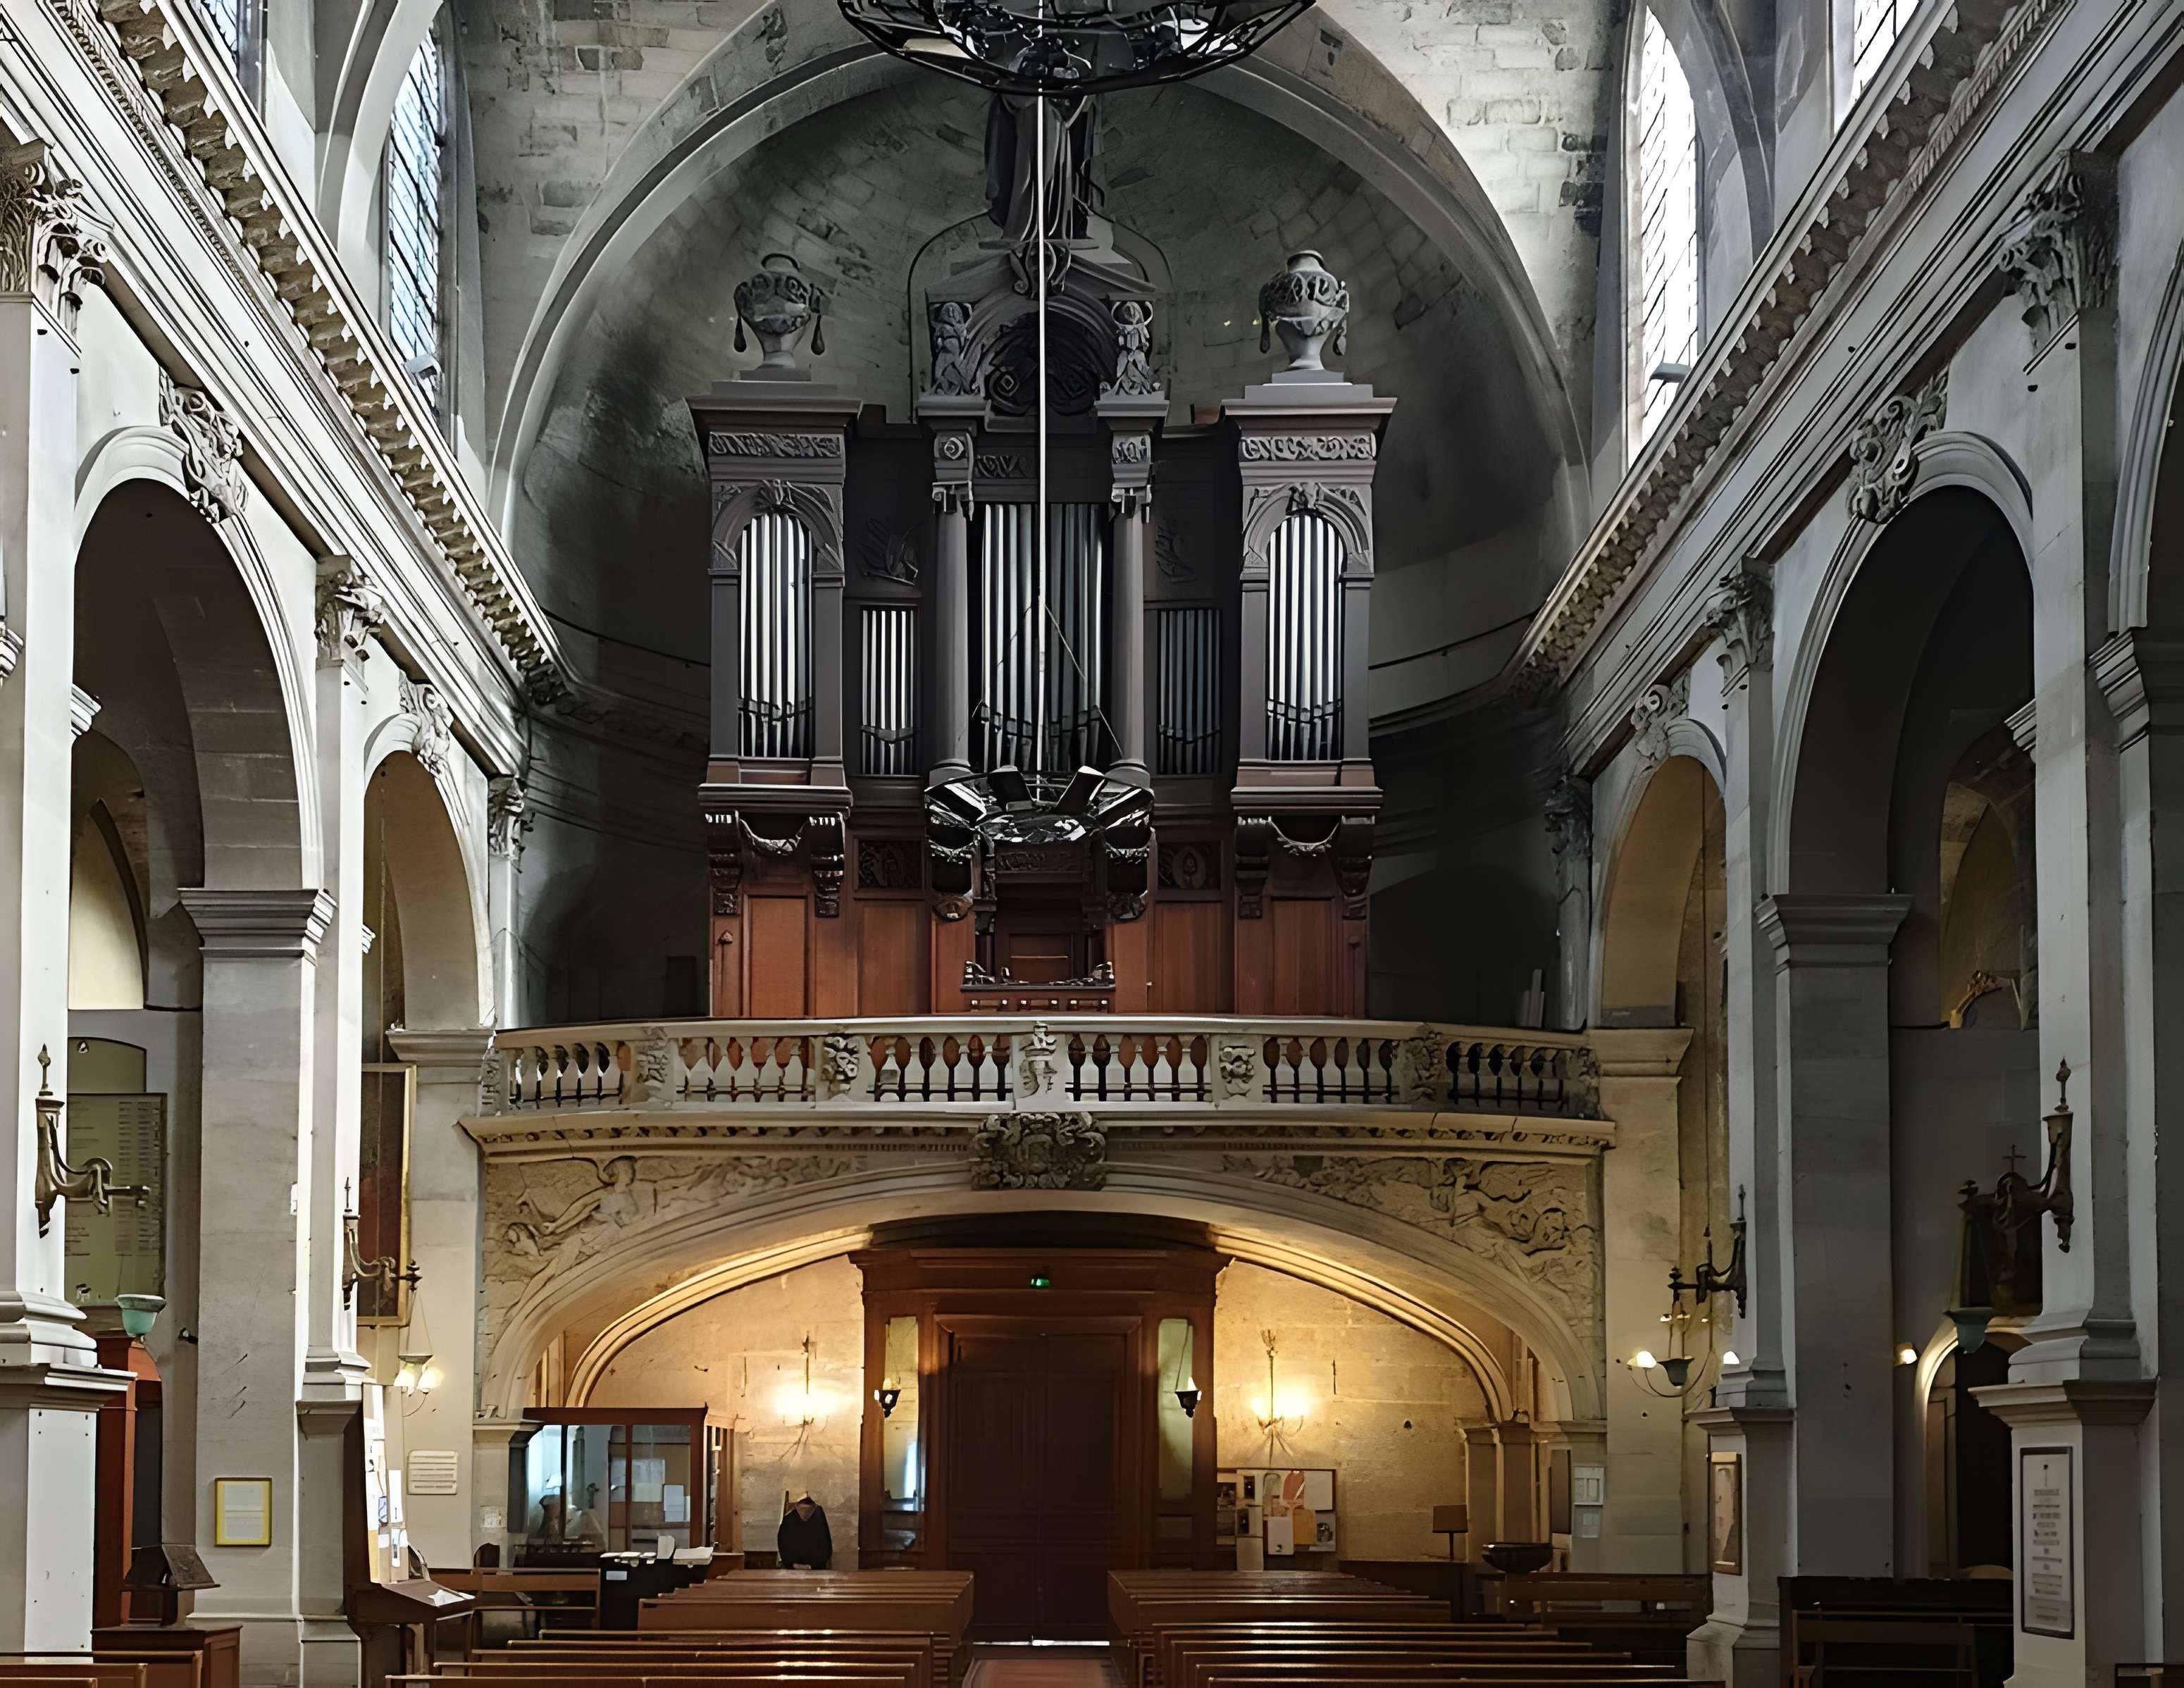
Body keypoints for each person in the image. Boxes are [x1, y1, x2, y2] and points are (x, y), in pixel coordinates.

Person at [524, 1491, 604, 1549]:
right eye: (547, 1510)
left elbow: (598, 1541)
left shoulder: (583, 1516)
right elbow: (538, 1542)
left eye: (555, 1507)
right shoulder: (544, 1521)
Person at [776, 1494, 833, 1569]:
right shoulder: (819, 1515)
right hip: (817, 1568)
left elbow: (782, 1541)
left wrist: (791, 1563)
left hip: (792, 1567)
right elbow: (826, 1544)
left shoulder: (789, 1517)